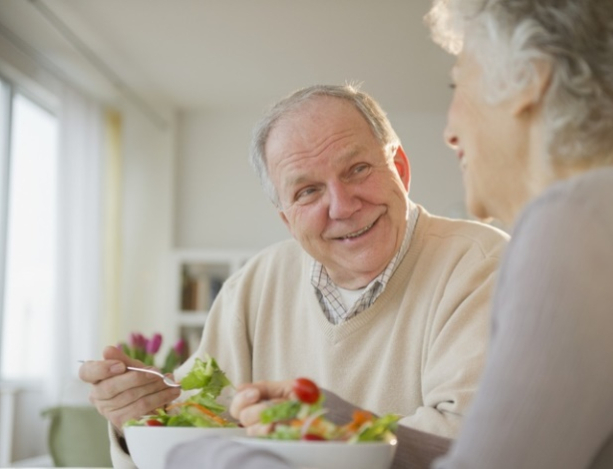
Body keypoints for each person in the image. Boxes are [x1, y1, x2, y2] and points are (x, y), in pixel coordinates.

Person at [167, 0, 613, 467]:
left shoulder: (577, 225)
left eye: (458, 83)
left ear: (530, 79)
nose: (450, 128)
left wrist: (206, 456)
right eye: (307, 191)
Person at [79, 84, 509, 468]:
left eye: (357, 169)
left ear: (399, 167)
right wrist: (140, 413)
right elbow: (202, 423)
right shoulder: (254, 283)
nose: (342, 206)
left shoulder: (482, 264)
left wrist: (323, 429)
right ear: (287, 219)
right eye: (308, 191)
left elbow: (478, 444)